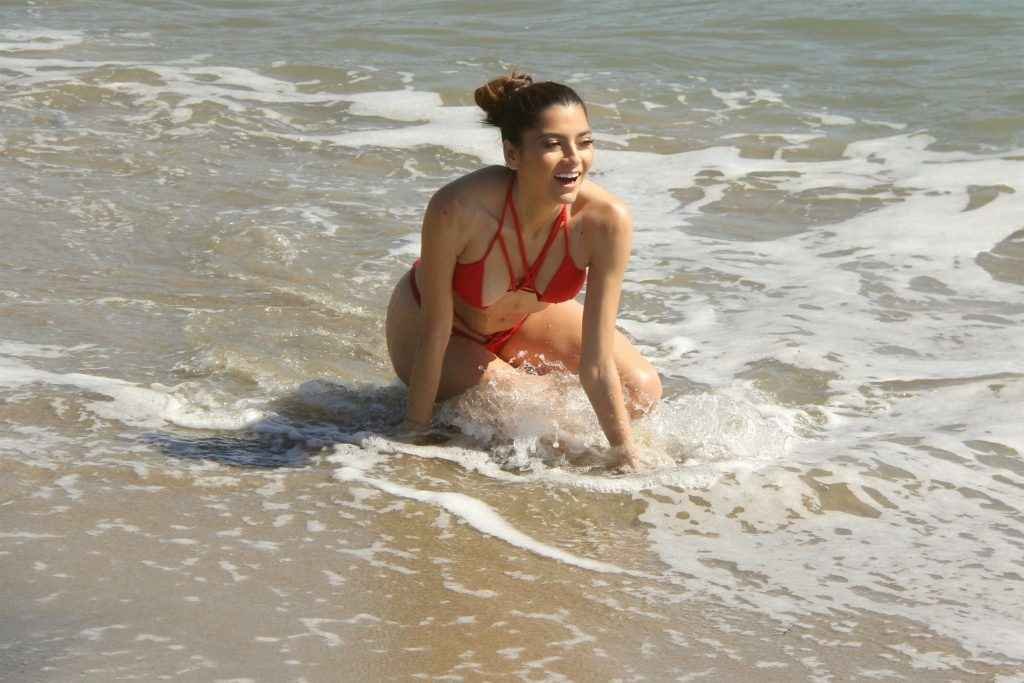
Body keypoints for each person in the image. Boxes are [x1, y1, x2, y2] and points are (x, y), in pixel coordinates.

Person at [385, 71, 662, 470]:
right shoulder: (459, 208)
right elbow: (434, 331)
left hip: (518, 322)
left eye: (584, 142)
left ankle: (503, 383)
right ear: (512, 155)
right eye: (552, 144)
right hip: (437, 330)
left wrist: (626, 453)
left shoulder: (605, 221)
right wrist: (413, 432)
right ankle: (495, 391)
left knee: (641, 391)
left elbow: (597, 360)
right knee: (542, 416)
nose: (573, 159)